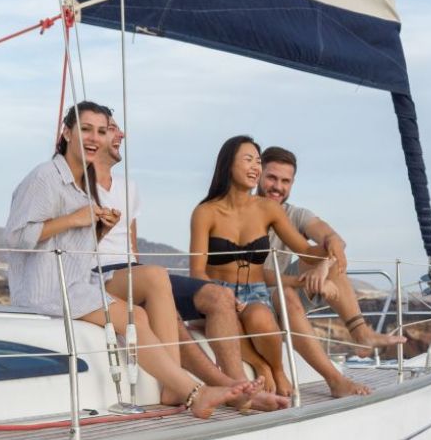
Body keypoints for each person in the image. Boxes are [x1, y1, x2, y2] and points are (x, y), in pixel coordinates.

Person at [3, 101, 254, 418]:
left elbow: (73, 245)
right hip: (48, 289)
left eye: (100, 131)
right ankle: (193, 391)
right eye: (85, 129)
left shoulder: (84, 183)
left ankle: (182, 388)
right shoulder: (45, 178)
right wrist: (75, 219)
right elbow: (16, 237)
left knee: (137, 314)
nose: (94, 138)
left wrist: (98, 230)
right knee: (132, 317)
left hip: (75, 281)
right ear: (66, 133)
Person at [95, 118, 288, 411]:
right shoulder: (75, 184)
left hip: (135, 273)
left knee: (217, 295)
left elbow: (131, 249)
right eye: (110, 129)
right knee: (164, 294)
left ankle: (237, 384)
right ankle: (231, 388)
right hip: (101, 276)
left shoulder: (127, 187)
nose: (121, 134)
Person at [190, 135, 370, 398]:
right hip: (218, 291)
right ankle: (261, 364)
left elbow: (306, 251)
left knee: (261, 318)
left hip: (256, 292)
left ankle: (277, 368)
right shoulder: (205, 211)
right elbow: (197, 271)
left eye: (258, 161)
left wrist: (331, 243)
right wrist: (217, 296)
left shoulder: (268, 210)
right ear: (229, 164)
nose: (255, 167)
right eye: (248, 160)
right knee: (227, 319)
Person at [258, 146, 406, 357]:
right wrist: (311, 280)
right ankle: (331, 372)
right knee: (292, 288)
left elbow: (335, 241)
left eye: (285, 181)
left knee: (331, 259)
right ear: (258, 175)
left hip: (282, 288)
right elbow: (249, 275)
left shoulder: (294, 214)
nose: (277, 187)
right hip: (256, 294)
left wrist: (323, 267)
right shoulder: (244, 212)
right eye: (271, 178)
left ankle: (361, 334)